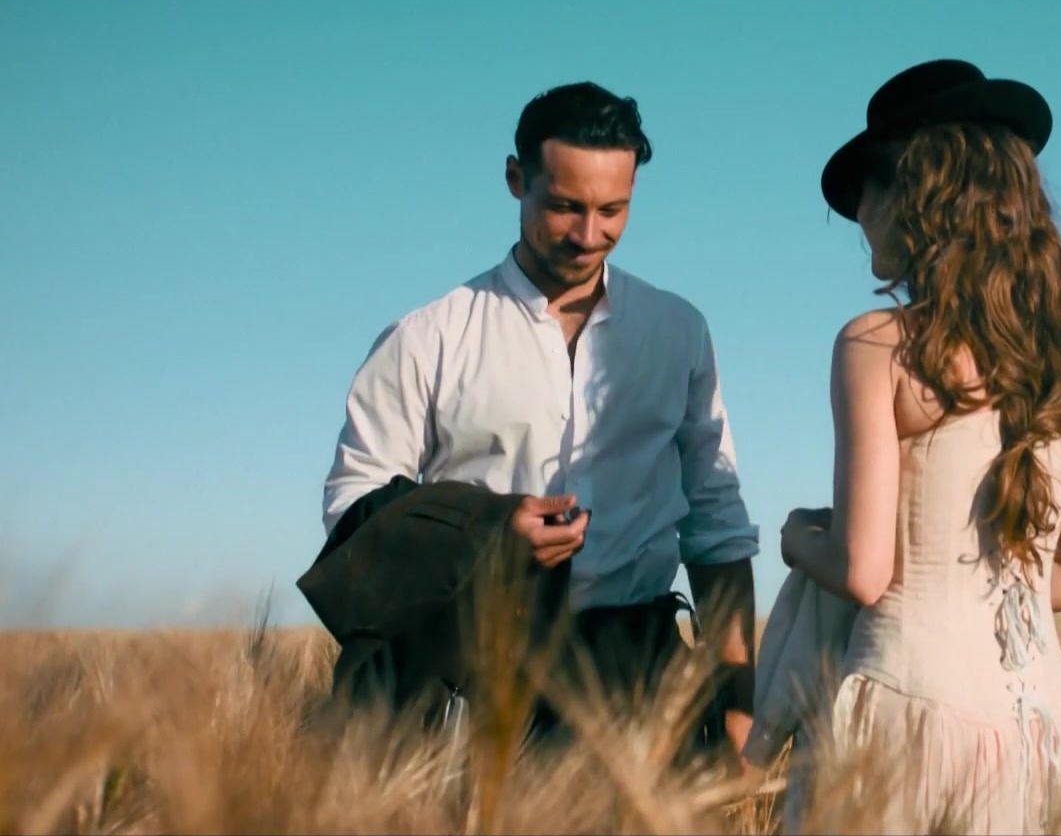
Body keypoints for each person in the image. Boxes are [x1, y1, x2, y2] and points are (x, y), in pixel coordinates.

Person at [299, 81, 761, 768]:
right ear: (516, 178)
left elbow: (715, 523)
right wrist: (486, 530)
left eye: (613, 210)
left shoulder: (679, 331)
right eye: (565, 207)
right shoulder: (428, 337)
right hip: (476, 681)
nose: (588, 235)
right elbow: (351, 506)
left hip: (639, 681)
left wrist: (739, 708)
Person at [774, 59, 1061, 833]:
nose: (859, 213)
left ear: (918, 192)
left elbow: (863, 571)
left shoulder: (878, 345)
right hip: (1052, 741)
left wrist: (796, 539)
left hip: (913, 724)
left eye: (866, 187)